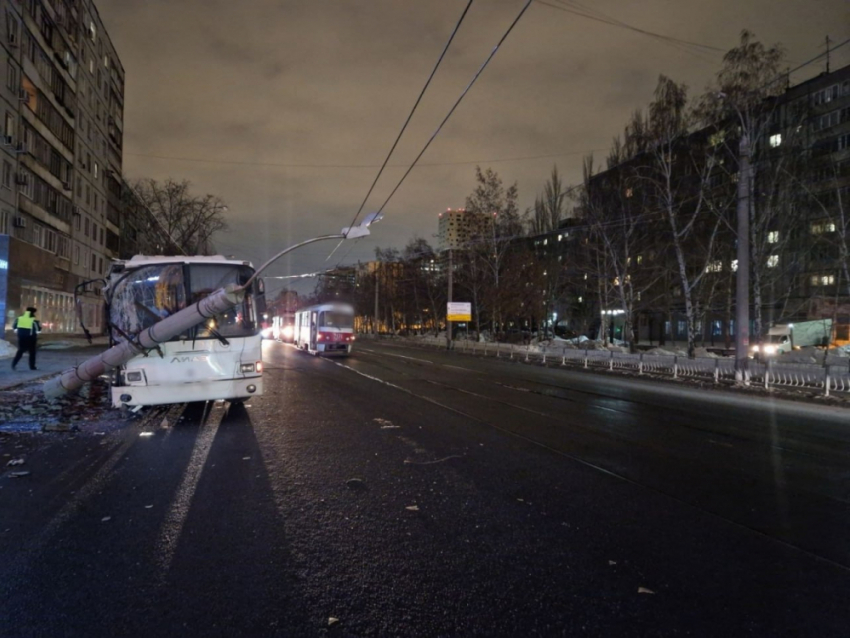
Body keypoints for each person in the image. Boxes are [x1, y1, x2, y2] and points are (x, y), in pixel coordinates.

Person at [11, 307, 41, 371]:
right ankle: (32, 367)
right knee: (32, 353)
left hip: (21, 337)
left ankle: (14, 364)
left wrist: (19, 332)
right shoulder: (33, 320)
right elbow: (38, 330)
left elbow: (14, 326)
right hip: (31, 338)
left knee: (20, 351)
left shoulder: (19, 318)